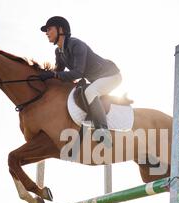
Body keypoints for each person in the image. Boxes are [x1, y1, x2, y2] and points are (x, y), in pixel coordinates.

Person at [39, 16, 122, 146]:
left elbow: (78, 73)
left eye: (49, 29)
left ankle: (103, 132)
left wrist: (54, 74)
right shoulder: (59, 52)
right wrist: (46, 76)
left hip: (111, 76)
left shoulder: (76, 44)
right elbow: (59, 72)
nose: (46, 33)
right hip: (96, 79)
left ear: (60, 29)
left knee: (90, 92)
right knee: (83, 91)